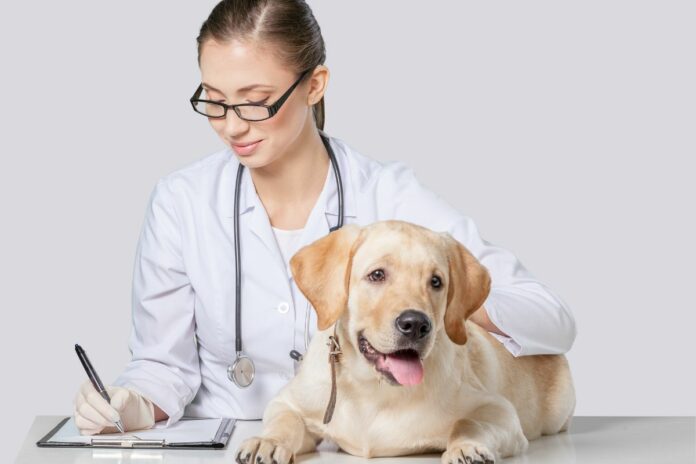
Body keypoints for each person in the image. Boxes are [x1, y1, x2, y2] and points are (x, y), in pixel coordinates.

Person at [73, 0, 576, 435]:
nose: (230, 126)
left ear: (314, 85)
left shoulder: (390, 197)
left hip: (364, 448)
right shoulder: (180, 202)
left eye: (255, 103)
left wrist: (437, 297)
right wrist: (132, 403)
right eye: (214, 101)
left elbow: (551, 319)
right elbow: (163, 366)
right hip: (230, 448)